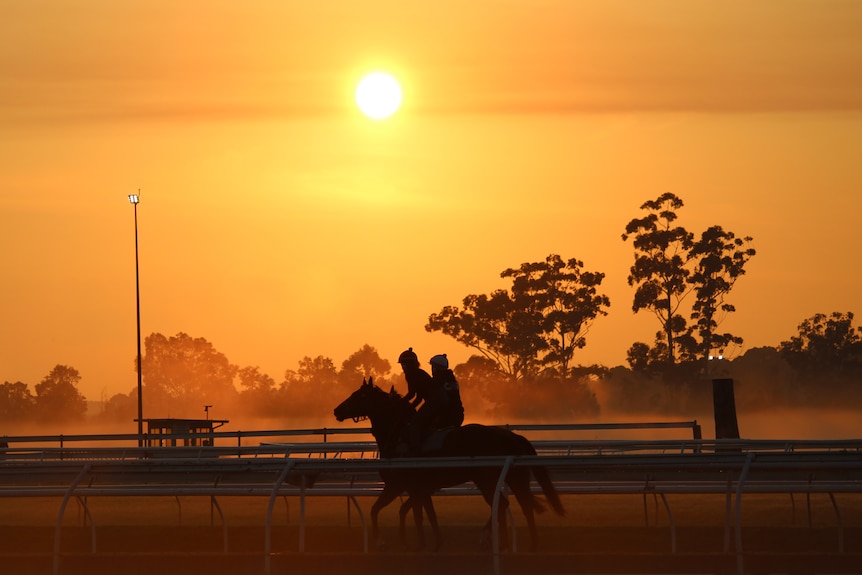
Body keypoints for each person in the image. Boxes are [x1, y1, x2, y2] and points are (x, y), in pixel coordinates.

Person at [397, 347, 447, 455]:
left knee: (415, 422)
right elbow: (419, 397)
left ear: (408, 365)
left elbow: (411, 394)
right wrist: (410, 407)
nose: (402, 368)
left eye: (403, 365)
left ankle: (415, 449)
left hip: (434, 400)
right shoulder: (418, 372)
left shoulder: (410, 374)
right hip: (439, 399)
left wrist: (400, 403)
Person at [428, 354, 464, 428]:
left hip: (444, 416)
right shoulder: (453, 380)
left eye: (432, 367)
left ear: (435, 368)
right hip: (459, 415)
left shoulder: (437, 380)